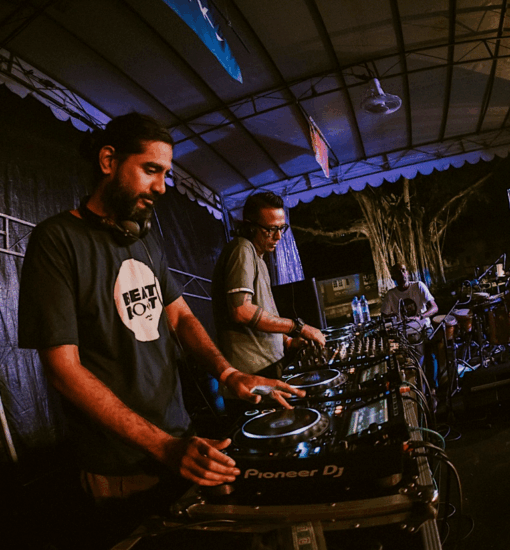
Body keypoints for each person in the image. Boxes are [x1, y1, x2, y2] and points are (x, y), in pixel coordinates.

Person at [17, 113, 303, 542]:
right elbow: (63, 369)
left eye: (166, 173)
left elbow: (181, 316)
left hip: (180, 446)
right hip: (121, 469)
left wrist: (228, 373)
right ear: (108, 160)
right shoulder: (56, 240)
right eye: (151, 169)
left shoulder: (145, 239)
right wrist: (161, 446)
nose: (162, 186)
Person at [212, 192, 326, 385]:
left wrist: (287, 341)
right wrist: (298, 327)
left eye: (282, 228)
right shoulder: (242, 249)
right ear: (249, 227)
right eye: (271, 229)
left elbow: (263, 313)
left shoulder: (259, 259)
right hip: (252, 374)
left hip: (267, 367)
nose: (278, 236)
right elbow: (241, 310)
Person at [381, 263, 439, 396]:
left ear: (407, 272)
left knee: (430, 352)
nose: (402, 275)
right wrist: (393, 318)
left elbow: (435, 307)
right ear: (393, 277)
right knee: (404, 363)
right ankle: (415, 391)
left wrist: (421, 316)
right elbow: (384, 317)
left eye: (403, 271)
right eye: (398, 273)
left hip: (423, 327)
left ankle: (433, 389)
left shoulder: (418, 286)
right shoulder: (391, 295)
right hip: (404, 333)